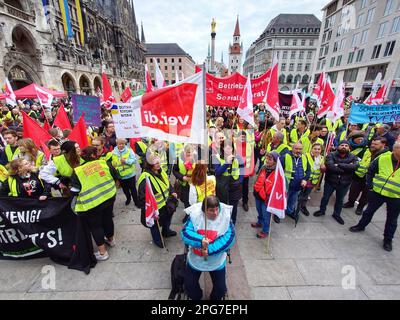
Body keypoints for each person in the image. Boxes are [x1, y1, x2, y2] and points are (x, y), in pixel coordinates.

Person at [181, 196, 235, 300]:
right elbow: (185, 232)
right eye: (211, 210)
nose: (215, 213)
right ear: (204, 210)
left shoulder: (225, 216)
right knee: (190, 287)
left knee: (220, 289)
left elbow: (229, 237)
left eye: (216, 209)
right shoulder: (195, 216)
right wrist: (200, 241)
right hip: (196, 260)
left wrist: (210, 249)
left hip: (216, 261)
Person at [70, 146, 119, 261]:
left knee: (96, 226)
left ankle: (103, 253)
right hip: (109, 197)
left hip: (92, 203)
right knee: (107, 219)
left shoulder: (77, 171)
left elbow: (75, 190)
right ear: (95, 155)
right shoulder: (104, 163)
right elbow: (115, 176)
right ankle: (111, 240)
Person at [350, 142, 400, 252]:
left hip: (396, 197)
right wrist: (370, 186)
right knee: (368, 211)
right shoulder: (383, 158)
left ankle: (388, 239)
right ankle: (361, 226)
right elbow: (370, 171)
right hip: (377, 192)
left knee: (392, 219)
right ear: (395, 150)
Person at [137, 154, 178, 248]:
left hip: (167, 204)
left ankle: (166, 231)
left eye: (158, 162)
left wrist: (172, 192)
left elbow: (167, 183)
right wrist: (150, 211)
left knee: (168, 219)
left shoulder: (161, 171)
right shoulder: (145, 178)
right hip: (156, 209)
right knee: (155, 227)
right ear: (149, 164)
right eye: (155, 163)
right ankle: (157, 240)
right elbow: (142, 198)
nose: (158, 164)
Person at [314, 140, 359, 225]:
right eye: (342, 145)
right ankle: (322, 210)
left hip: (344, 183)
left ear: (349, 148)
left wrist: (338, 165)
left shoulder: (353, 157)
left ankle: (336, 214)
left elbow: (355, 166)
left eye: (346, 146)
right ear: (338, 146)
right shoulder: (331, 155)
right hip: (330, 181)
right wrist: (347, 168)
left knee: (340, 200)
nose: (344, 147)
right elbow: (330, 166)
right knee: (325, 198)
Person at [344, 137, 390, 215]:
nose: (373, 145)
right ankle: (350, 202)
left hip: (372, 178)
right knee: (353, 191)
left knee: (366, 195)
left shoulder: (387, 155)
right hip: (359, 175)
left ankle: (360, 208)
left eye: (376, 144)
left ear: (383, 144)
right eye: (372, 143)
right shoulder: (367, 150)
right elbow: (357, 158)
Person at [213, 140, 243, 225]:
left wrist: (240, 181)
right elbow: (218, 172)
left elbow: (242, 169)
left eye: (231, 148)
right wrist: (227, 163)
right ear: (223, 148)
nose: (229, 149)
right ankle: (223, 222)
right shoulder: (216, 157)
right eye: (227, 147)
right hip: (222, 186)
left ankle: (232, 222)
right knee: (223, 205)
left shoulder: (238, 157)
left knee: (233, 206)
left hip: (235, 186)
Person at [280, 142, 310, 223]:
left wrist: (305, 179)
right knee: (282, 200)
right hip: (286, 185)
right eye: (296, 148)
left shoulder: (304, 157)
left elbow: (308, 170)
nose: (298, 150)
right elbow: (279, 171)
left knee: (293, 201)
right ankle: (278, 213)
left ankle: (289, 211)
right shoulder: (285, 157)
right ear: (292, 148)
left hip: (298, 186)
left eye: (300, 149)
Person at [252, 152, 278, 238]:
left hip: (267, 198)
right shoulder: (263, 167)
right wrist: (255, 188)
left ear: (275, 161)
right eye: (266, 158)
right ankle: (260, 222)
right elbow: (258, 178)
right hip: (258, 194)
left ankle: (265, 230)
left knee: (266, 215)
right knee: (259, 210)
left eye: (270, 159)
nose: (267, 161)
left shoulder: (278, 172)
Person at [298, 143, 325, 216]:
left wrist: (323, 168)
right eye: (315, 148)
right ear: (311, 149)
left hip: (313, 180)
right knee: (299, 194)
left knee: (306, 195)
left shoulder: (322, 158)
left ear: (321, 150)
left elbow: (322, 171)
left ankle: (303, 206)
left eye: (318, 149)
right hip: (305, 179)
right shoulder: (305, 156)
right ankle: (295, 207)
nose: (317, 150)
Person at [112, 138, 139, 207]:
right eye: (119, 144)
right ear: (117, 144)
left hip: (130, 174)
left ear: (125, 144)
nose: (121, 145)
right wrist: (114, 164)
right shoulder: (113, 152)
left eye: (122, 144)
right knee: (125, 189)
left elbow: (134, 160)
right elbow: (113, 162)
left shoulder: (129, 151)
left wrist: (126, 161)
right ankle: (128, 198)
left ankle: (136, 201)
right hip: (121, 175)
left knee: (133, 189)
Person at [235, 131, 255, 212]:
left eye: (244, 137)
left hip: (246, 170)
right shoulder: (234, 144)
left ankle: (245, 202)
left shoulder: (249, 145)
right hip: (236, 170)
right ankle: (235, 200)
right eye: (241, 137)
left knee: (245, 187)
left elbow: (252, 158)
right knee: (236, 186)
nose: (243, 138)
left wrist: (251, 170)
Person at [173, 144, 197, 208]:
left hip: (193, 184)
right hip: (183, 185)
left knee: (193, 201)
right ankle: (187, 214)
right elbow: (174, 171)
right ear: (184, 152)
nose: (189, 155)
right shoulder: (178, 159)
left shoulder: (196, 158)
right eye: (187, 153)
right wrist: (182, 177)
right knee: (186, 201)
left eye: (191, 153)